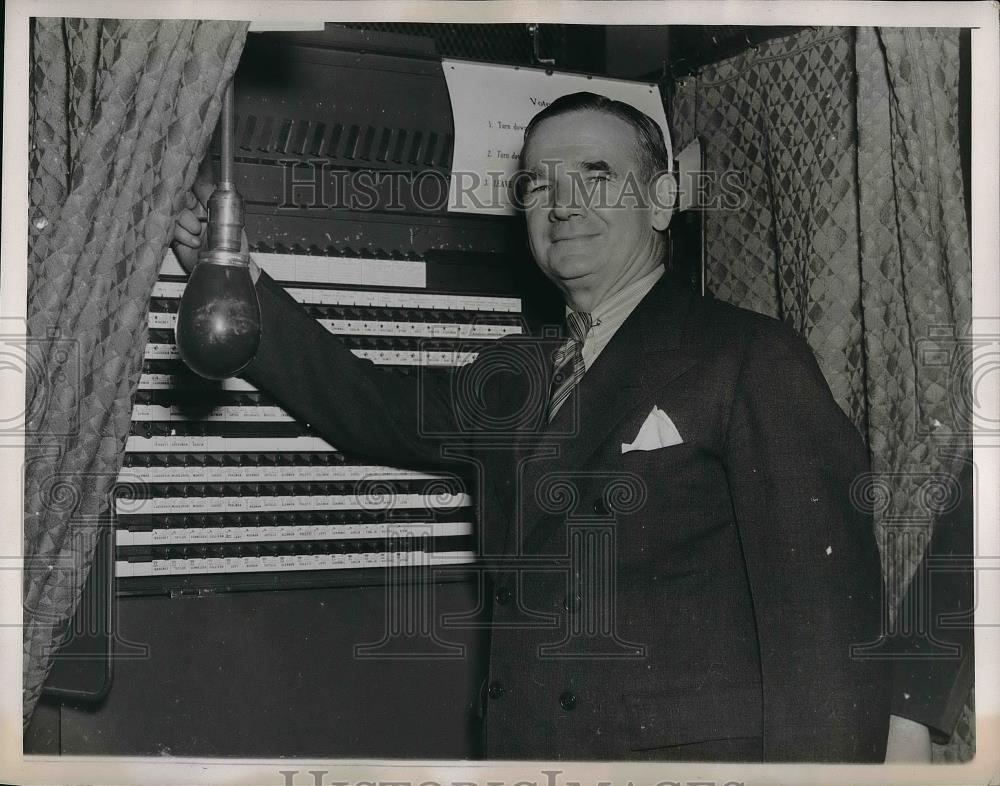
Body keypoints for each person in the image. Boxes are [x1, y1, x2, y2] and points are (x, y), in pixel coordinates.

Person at [172, 92, 890, 761]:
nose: (563, 204)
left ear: (664, 201)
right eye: (539, 185)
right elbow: (369, 405)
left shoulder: (749, 356)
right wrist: (231, 276)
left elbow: (827, 639)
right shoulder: (515, 375)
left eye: (596, 174)